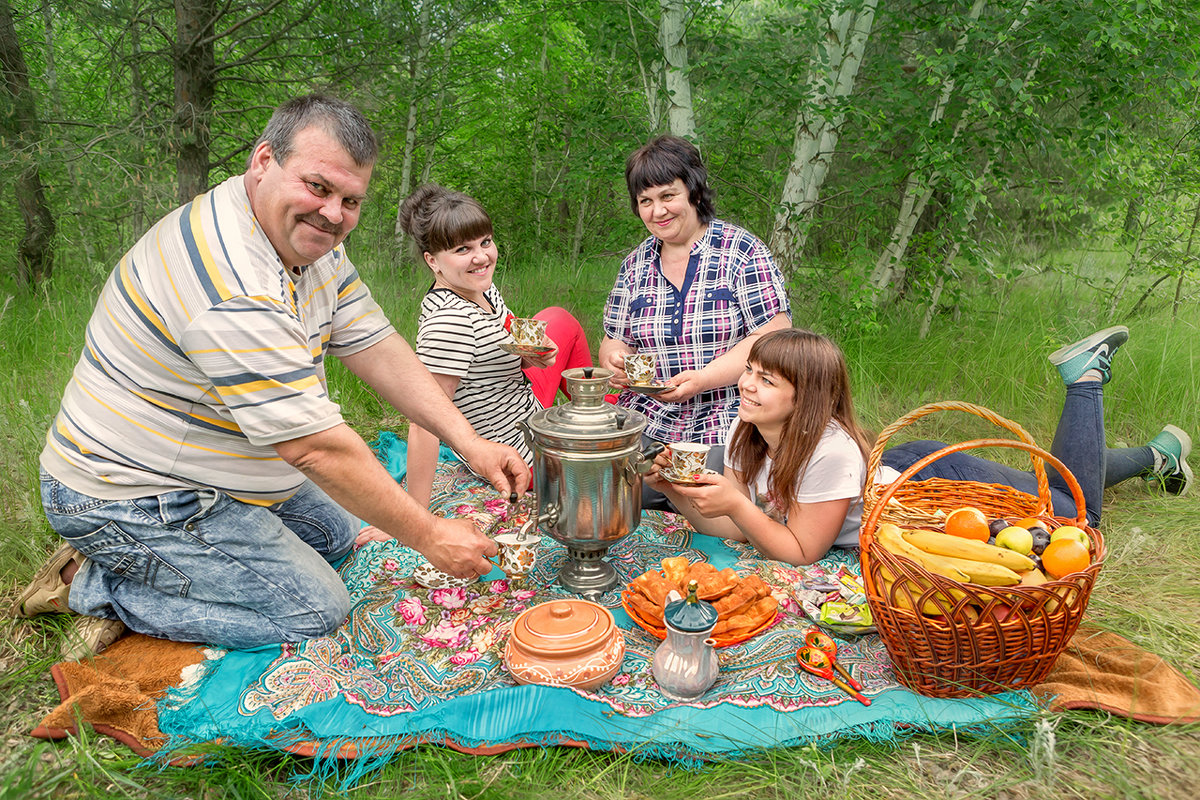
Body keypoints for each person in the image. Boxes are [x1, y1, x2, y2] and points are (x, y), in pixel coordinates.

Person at [13, 95, 529, 660]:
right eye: (317, 187)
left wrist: (469, 442)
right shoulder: (233, 283)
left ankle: (152, 560)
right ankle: (95, 583)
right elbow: (315, 450)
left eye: (350, 200)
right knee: (313, 609)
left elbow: (376, 344)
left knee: (338, 534)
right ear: (263, 161)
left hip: (224, 470)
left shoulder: (309, 242)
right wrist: (427, 534)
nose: (333, 213)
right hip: (134, 491)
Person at [648, 326, 1191, 566]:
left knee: (1075, 511)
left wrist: (739, 504)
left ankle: (1085, 382)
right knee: (1057, 488)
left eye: (766, 379)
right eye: (751, 372)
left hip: (935, 491)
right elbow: (740, 528)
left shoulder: (829, 451)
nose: (746, 385)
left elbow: (799, 551)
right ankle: (1159, 456)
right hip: (896, 474)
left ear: (807, 394)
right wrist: (680, 495)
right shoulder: (747, 433)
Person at [598, 135, 792, 510]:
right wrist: (615, 358)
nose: (658, 211)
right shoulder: (634, 265)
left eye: (668, 196)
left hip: (728, 418)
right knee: (605, 495)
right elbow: (613, 338)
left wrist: (701, 379)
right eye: (645, 201)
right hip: (646, 417)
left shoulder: (742, 251)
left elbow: (774, 336)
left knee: (710, 501)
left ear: (694, 192)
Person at [396, 184, 595, 508]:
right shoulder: (449, 323)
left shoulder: (480, 289)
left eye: (485, 242)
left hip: (529, 416)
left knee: (558, 320)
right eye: (463, 250)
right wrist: (413, 514)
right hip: (516, 458)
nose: (482, 257)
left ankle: (597, 409)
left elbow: (501, 346)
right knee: (626, 475)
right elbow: (424, 420)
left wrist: (534, 356)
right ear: (433, 261)